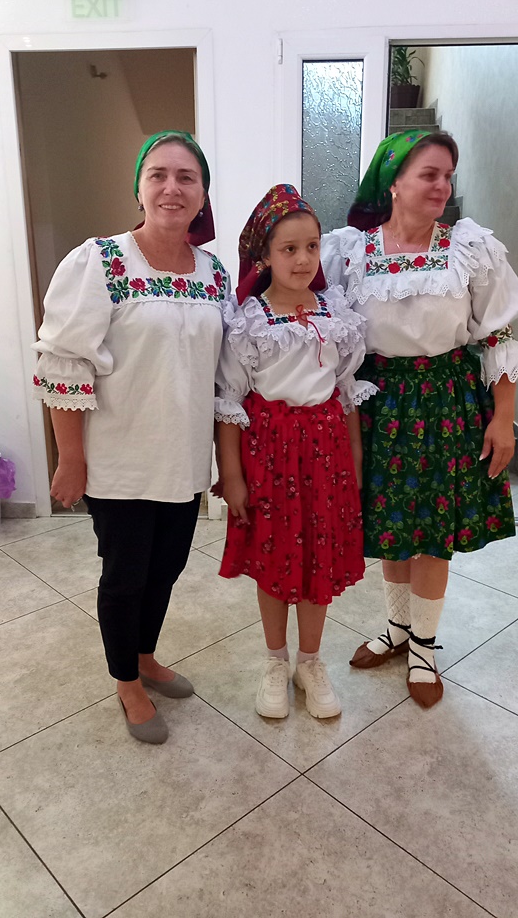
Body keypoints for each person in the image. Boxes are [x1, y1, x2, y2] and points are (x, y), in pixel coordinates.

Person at [321, 130, 518, 709]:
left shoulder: (469, 248)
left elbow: (498, 333)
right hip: (379, 404)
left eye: (448, 176)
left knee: (433, 533)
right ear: (394, 182)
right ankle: (396, 630)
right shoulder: (350, 253)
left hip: (446, 401)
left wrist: (504, 417)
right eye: (429, 175)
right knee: (392, 526)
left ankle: (424, 647)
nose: (443, 186)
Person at [33, 131, 229, 743]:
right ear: (139, 189)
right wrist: (71, 458)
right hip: (121, 460)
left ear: (202, 195)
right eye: (158, 175)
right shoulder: (101, 261)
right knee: (125, 576)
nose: (172, 188)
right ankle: (126, 681)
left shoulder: (214, 273)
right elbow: (65, 362)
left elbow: (220, 372)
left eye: (186, 177)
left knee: (166, 568)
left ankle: (145, 655)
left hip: (183, 459)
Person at [214, 184, 376, 720]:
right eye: (289, 249)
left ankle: (310, 662)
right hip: (270, 457)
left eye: (312, 246)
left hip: (327, 455)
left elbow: (345, 393)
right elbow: (230, 402)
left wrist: (354, 460)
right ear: (263, 255)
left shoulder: (337, 313)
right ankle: (274, 661)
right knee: (273, 558)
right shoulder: (249, 321)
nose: (303, 259)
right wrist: (232, 475)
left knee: (317, 558)